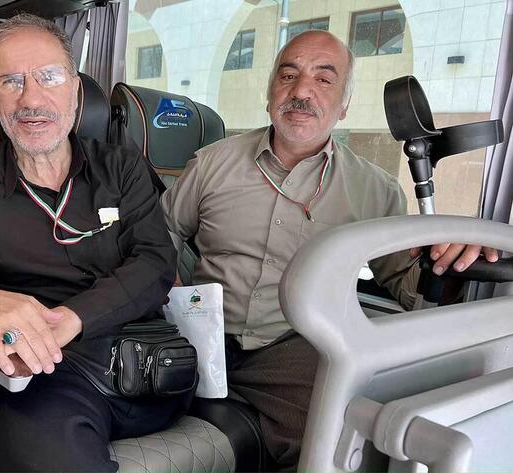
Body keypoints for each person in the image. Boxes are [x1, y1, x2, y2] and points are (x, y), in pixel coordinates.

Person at [161, 29, 499, 468]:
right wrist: (173, 300)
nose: (301, 91)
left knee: (339, 443)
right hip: (198, 338)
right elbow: (160, 234)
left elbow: (405, 286)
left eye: (323, 79)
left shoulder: (375, 190)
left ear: (344, 105)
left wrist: (448, 267)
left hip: (292, 347)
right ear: (270, 93)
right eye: (288, 76)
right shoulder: (211, 164)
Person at [0, 13, 190, 472]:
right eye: (11, 81)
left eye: (49, 77)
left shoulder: (122, 167)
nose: (31, 99)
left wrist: (72, 318)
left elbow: (155, 263)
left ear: (75, 89)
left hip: (148, 363)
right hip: (33, 378)